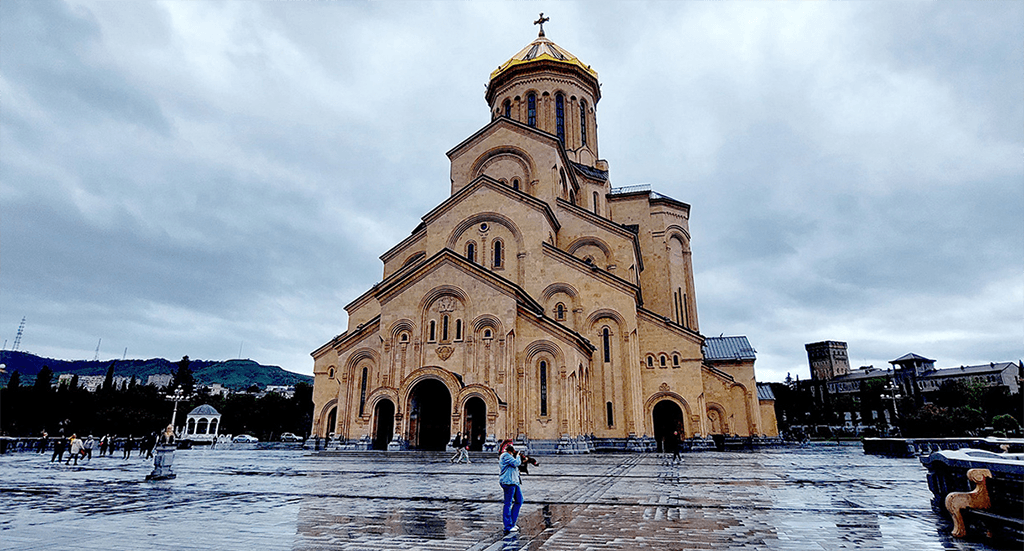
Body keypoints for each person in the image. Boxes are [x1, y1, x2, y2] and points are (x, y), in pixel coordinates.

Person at [498, 439, 524, 535]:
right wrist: (517, 456)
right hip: (508, 482)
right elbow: (516, 463)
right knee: (508, 504)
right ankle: (508, 526)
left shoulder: (509, 456)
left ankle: (512, 522)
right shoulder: (505, 456)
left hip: (514, 482)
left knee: (519, 500)